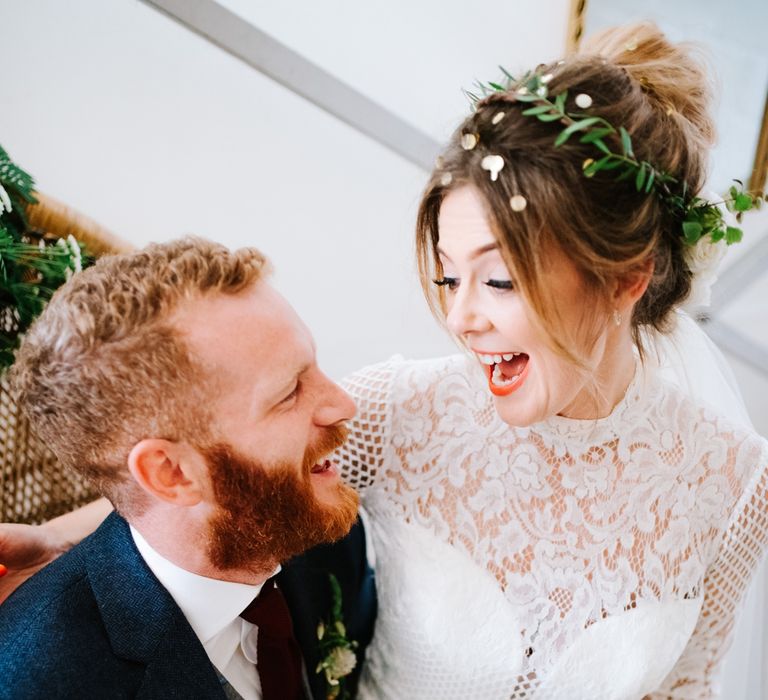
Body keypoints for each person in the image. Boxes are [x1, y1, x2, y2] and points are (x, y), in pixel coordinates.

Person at [1, 21, 767, 700]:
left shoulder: (737, 486)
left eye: (498, 280)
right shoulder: (408, 412)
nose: (462, 319)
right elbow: (213, 476)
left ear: (626, 280)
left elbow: (688, 681)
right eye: (448, 276)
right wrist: (57, 540)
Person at [0, 238, 376, 700]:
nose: (344, 404)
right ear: (172, 474)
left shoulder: (316, 526)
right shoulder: (41, 683)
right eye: (289, 393)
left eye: (314, 365)